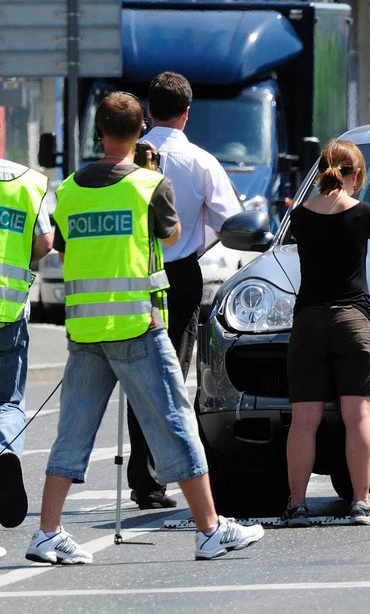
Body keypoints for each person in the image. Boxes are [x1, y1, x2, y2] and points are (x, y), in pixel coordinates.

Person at [26, 92, 263, 564]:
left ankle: (47, 532)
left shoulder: (69, 190)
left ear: (99, 132)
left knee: (73, 432)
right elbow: (171, 236)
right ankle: (210, 529)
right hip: (138, 323)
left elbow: (66, 249)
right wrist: (151, 173)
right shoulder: (148, 185)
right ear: (140, 134)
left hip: (86, 329)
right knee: (175, 421)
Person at [281, 139, 370, 528]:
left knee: (304, 420)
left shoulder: (301, 216)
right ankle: (361, 502)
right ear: (356, 176)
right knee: (358, 416)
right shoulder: (365, 213)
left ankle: (296, 505)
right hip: (353, 322)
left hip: (309, 322)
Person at [124, 71, 242, 510]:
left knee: (140, 372)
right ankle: (186, 473)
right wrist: (199, 238)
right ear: (187, 114)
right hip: (179, 276)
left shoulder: (126, 158)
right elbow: (231, 222)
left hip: (130, 273)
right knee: (173, 373)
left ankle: (146, 479)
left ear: (148, 111)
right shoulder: (201, 162)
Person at [0, 158, 54, 555]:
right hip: (8, 311)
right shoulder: (28, 182)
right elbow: (46, 243)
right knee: (8, 400)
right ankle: (5, 449)